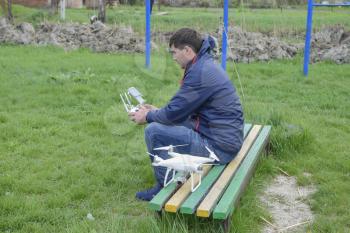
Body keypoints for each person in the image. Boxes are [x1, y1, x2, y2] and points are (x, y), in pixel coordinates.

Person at [129, 28, 244, 201]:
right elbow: (180, 109)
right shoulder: (204, 64)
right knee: (164, 122)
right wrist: (156, 112)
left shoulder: (199, 73)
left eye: (174, 52)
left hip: (219, 148)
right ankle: (171, 177)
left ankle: (164, 188)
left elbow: (174, 112)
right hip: (225, 137)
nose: (173, 57)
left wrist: (147, 116)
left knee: (153, 131)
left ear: (187, 51)